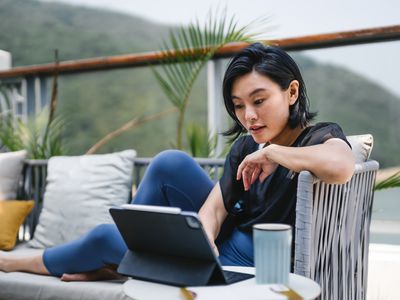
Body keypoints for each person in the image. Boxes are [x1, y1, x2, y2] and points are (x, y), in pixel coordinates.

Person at [0, 43, 355, 281]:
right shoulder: (247, 145)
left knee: (104, 237)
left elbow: (342, 167)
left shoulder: (318, 137)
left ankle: (16, 262)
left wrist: (275, 153)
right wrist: (202, 240)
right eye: (238, 104)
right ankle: (130, 260)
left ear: (291, 92)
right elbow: (214, 210)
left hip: (251, 268)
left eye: (259, 100)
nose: (249, 115)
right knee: (169, 163)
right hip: (220, 252)